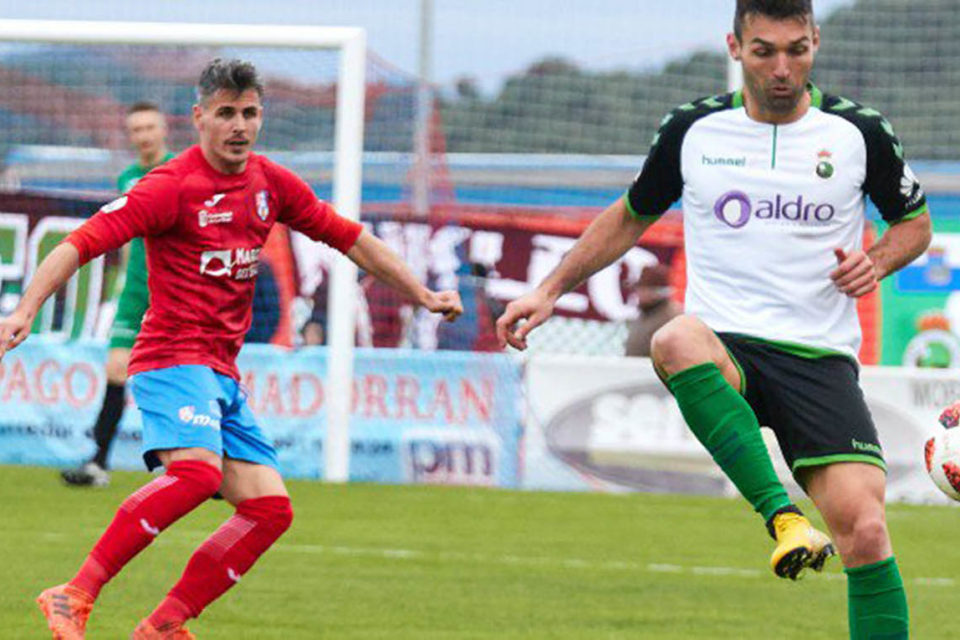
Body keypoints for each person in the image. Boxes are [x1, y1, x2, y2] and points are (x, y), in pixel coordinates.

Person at [496, 2, 930, 637]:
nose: (782, 68)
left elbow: (913, 226)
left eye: (796, 50)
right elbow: (631, 214)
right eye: (764, 51)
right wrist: (549, 289)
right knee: (675, 337)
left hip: (819, 358)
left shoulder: (858, 132)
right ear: (735, 47)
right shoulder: (693, 130)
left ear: (815, 41)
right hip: (726, 345)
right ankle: (783, 519)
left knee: (866, 533)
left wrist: (877, 261)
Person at [2, 58, 461, 639]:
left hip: (220, 371)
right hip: (171, 358)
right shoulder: (170, 186)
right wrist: (25, 309)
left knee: (269, 509)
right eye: (226, 113)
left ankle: (164, 625)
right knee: (197, 474)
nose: (239, 126)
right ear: (199, 117)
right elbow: (80, 242)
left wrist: (421, 293)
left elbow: (351, 239)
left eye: (249, 113)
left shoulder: (270, 183)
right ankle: (75, 592)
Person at [61, 101, 174, 488]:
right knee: (115, 369)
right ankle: (98, 463)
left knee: (174, 375)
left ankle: (200, 463)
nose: (143, 136)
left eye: (149, 127)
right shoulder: (128, 177)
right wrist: (122, 282)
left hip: (172, 290)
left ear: (164, 129)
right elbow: (126, 236)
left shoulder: (180, 170)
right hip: (135, 290)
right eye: (136, 130)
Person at [623, 263, 681, 357]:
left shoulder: (671, 316)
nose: (638, 294)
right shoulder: (645, 312)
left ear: (657, 292)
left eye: (643, 290)